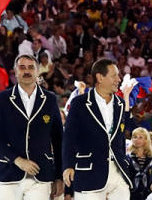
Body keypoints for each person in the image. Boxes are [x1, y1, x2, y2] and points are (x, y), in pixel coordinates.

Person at [0, 55, 63, 200]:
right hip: (8, 172)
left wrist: (59, 176)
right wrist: (17, 160)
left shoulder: (50, 99)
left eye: (31, 67)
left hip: (41, 173)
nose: (27, 71)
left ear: (37, 71)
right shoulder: (4, 98)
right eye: (22, 67)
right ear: (15, 72)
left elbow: (58, 140)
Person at [61, 58, 135, 200]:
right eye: (114, 76)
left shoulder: (120, 104)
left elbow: (119, 137)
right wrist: (68, 165)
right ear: (100, 77)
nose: (118, 79)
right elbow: (69, 138)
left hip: (118, 172)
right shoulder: (79, 103)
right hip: (89, 173)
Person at [128, 128, 152, 200]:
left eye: (140, 137)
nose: (137, 139)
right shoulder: (128, 157)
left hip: (148, 192)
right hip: (131, 192)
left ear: (146, 140)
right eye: (135, 137)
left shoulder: (151, 158)